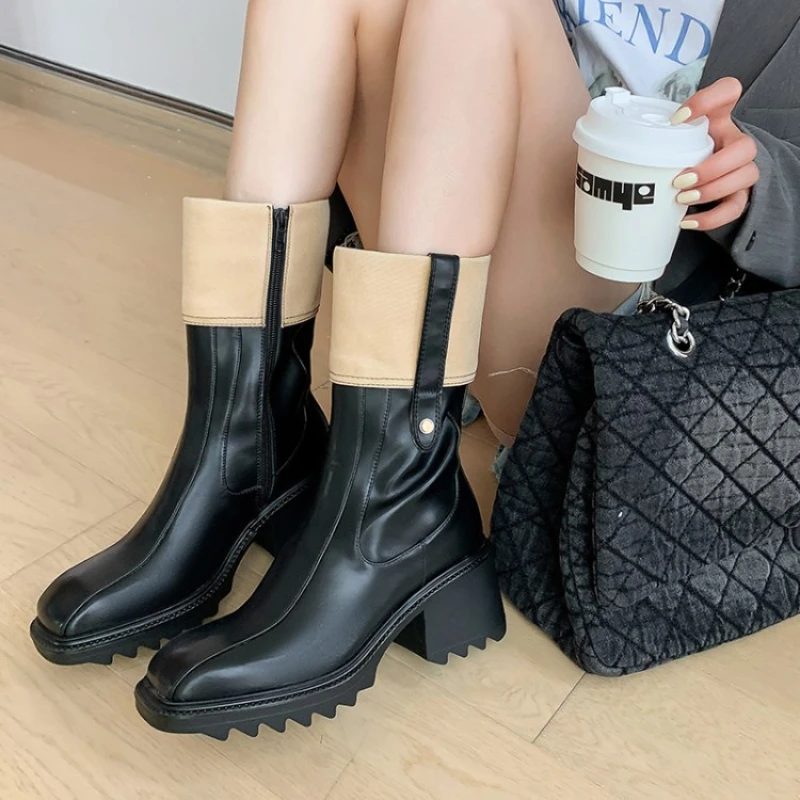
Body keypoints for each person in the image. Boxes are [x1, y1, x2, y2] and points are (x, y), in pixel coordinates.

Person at [31, 0, 798, 737]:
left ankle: (395, 514)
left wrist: (758, 175)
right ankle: (247, 449)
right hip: (470, 237)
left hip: (631, 345)